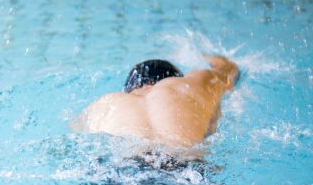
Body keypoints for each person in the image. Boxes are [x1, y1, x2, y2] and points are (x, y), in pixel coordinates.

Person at [71, 56, 239, 147]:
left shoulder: (106, 102)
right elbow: (229, 70)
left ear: (130, 88)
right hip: (184, 166)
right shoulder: (189, 85)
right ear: (174, 77)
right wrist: (214, 58)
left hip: (121, 168)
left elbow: (76, 130)